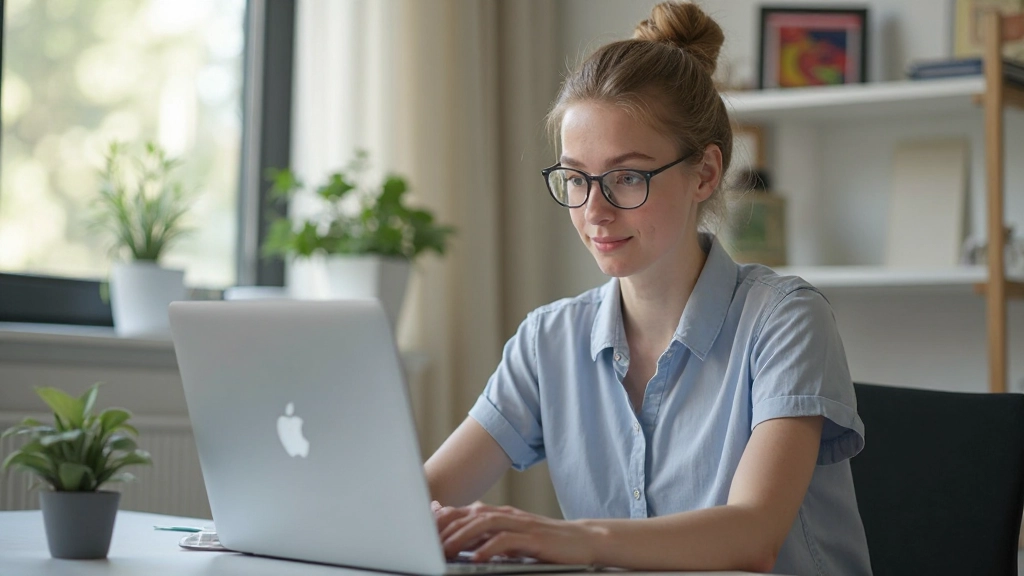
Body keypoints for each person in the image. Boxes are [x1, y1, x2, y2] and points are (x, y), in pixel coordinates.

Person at [424, 2, 872, 574]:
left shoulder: (785, 320)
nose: (594, 211)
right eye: (576, 178)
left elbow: (753, 535)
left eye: (627, 177)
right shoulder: (548, 340)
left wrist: (571, 538)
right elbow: (422, 494)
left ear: (705, 174)